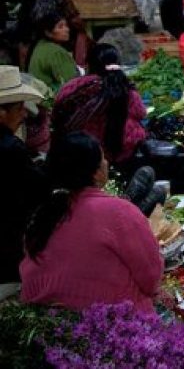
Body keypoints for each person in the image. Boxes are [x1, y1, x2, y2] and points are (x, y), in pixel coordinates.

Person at [20, 132, 162, 312]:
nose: (106, 163)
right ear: (95, 172)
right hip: (113, 326)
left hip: (48, 324)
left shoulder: (43, 213)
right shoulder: (119, 212)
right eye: (102, 158)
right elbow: (151, 279)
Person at [51, 44, 147, 165]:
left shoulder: (72, 87)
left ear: (88, 64)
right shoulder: (125, 89)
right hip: (121, 151)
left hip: (79, 152)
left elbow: (57, 115)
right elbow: (141, 113)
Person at [0, 68, 46, 292]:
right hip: (8, 248)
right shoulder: (10, 148)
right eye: (19, 109)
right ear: (1, 113)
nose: (24, 115)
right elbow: (38, 190)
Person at [28, 13, 78, 92]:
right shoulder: (56, 52)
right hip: (53, 100)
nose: (67, 29)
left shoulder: (40, 46)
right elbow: (73, 83)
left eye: (66, 26)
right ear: (48, 33)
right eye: (60, 27)